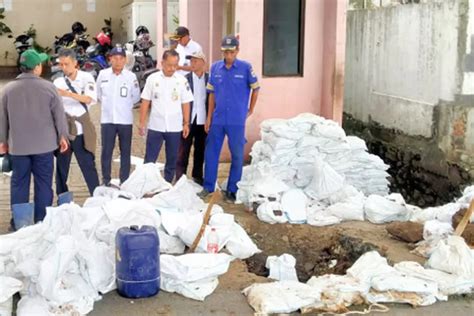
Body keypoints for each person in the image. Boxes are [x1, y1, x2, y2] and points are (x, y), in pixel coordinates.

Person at [0, 49, 69, 229]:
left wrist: (3, 142)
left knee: (19, 184)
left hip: (18, 148)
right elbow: (59, 116)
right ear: (37, 67)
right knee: (44, 184)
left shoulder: (7, 90)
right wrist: (63, 136)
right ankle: (42, 221)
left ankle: (19, 223)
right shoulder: (49, 87)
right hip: (44, 147)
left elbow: (2, 120)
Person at [199, 35, 260, 202]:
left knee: (237, 155)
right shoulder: (215, 68)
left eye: (231, 52)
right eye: (225, 52)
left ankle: (232, 190)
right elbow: (211, 95)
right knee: (211, 153)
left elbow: (256, 88)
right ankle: (208, 186)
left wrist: (251, 109)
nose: (228, 55)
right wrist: (209, 117)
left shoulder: (246, 68)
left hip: (236, 120)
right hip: (218, 119)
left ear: (237, 51)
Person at [139, 49, 193, 183]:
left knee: (172, 159)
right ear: (162, 63)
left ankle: (168, 184)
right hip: (156, 126)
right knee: (150, 159)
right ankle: (147, 184)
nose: (172, 68)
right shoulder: (152, 79)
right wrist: (141, 123)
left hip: (175, 127)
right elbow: (145, 101)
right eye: (169, 65)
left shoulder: (181, 80)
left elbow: (186, 103)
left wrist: (186, 123)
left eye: (175, 65)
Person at [53, 48, 99, 196]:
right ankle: (62, 197)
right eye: (61, 64)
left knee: (88, 165)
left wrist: (67, 94)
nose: (63, 67)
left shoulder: (87, 78)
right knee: (61, 168)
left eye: (66, 64)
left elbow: (89, 99)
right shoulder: (57, 81)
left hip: (81, 130)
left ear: (75, 63)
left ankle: (96, 195)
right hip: (64, 131)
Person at [96, 46, 141, 186]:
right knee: (106, 151)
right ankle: (106, 179)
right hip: (107, 120)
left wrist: (123, 106)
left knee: (125, 152)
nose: (118, 61)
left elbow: (136, 97)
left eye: (121, 58)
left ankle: (124, 180)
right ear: (110, 59)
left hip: (125, 120)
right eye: (115, 58)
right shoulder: (102, 75)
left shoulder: (131, 77)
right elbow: (98, 95)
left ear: (125, 60)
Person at [175, 50, 209, 185]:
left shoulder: (210, 79)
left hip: (203, 120)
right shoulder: (185, 80)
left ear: (203, 63)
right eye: (191, 61)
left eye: (195, 61)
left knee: (200, 150)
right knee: (183, 150)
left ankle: (197, 176)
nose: (192, 63)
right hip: (188, 120)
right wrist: (184, 121)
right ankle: (180, 177)